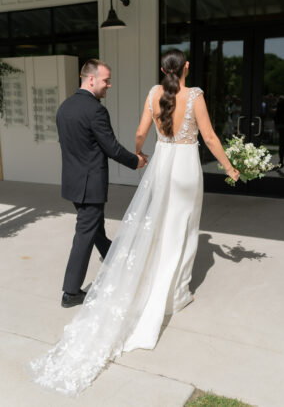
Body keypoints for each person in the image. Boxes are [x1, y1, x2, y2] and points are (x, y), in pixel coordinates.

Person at [29, 49, 239, 395]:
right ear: (186, 67)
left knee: (153, 226)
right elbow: (211, 138)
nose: (108, 84)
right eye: (106, 80)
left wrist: (143, 153)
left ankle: (128, 268)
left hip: (159, 162)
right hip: (185, 167)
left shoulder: (150, 95)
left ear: (162, 69)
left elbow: (141, 134)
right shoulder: (195, 95)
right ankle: (174, 293)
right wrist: (230, 167)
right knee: (182, 229)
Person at [56, 59, 146, 308]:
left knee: (94, 227)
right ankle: (71, 292)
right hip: (90, 184)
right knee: (85, 234)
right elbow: (112, 147)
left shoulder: (64, 107)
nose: (109, 85)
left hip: (73, 183)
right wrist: (136, 161)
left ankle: (112, 257)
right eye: (106, 80)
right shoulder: (95, 110)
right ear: (91, 79)